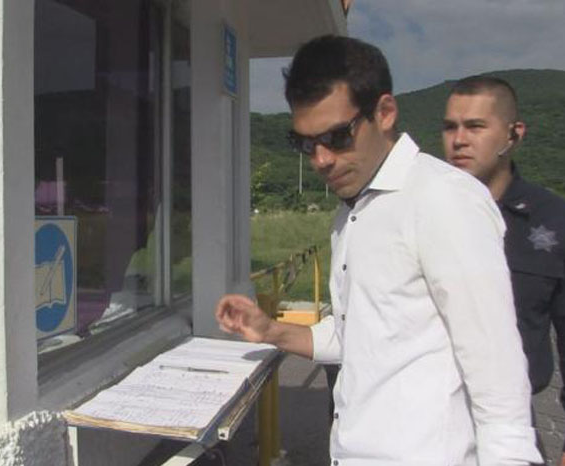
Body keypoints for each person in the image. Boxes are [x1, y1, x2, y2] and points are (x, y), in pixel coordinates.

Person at [216, 35, 543, 465]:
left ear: (385, 112)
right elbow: (361, 332)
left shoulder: (443, 199)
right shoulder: (353, 213)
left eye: (337, 136)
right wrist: (270, 330)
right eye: (305, 144)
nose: (321, 159)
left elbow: (497, 375)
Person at [442, 75, 565, 466]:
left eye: (475, 126)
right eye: (450, 127)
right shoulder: (419, 212)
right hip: (422, 428)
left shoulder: (554, 221)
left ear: (514, 134)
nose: (459, 140)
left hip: (510, 431)